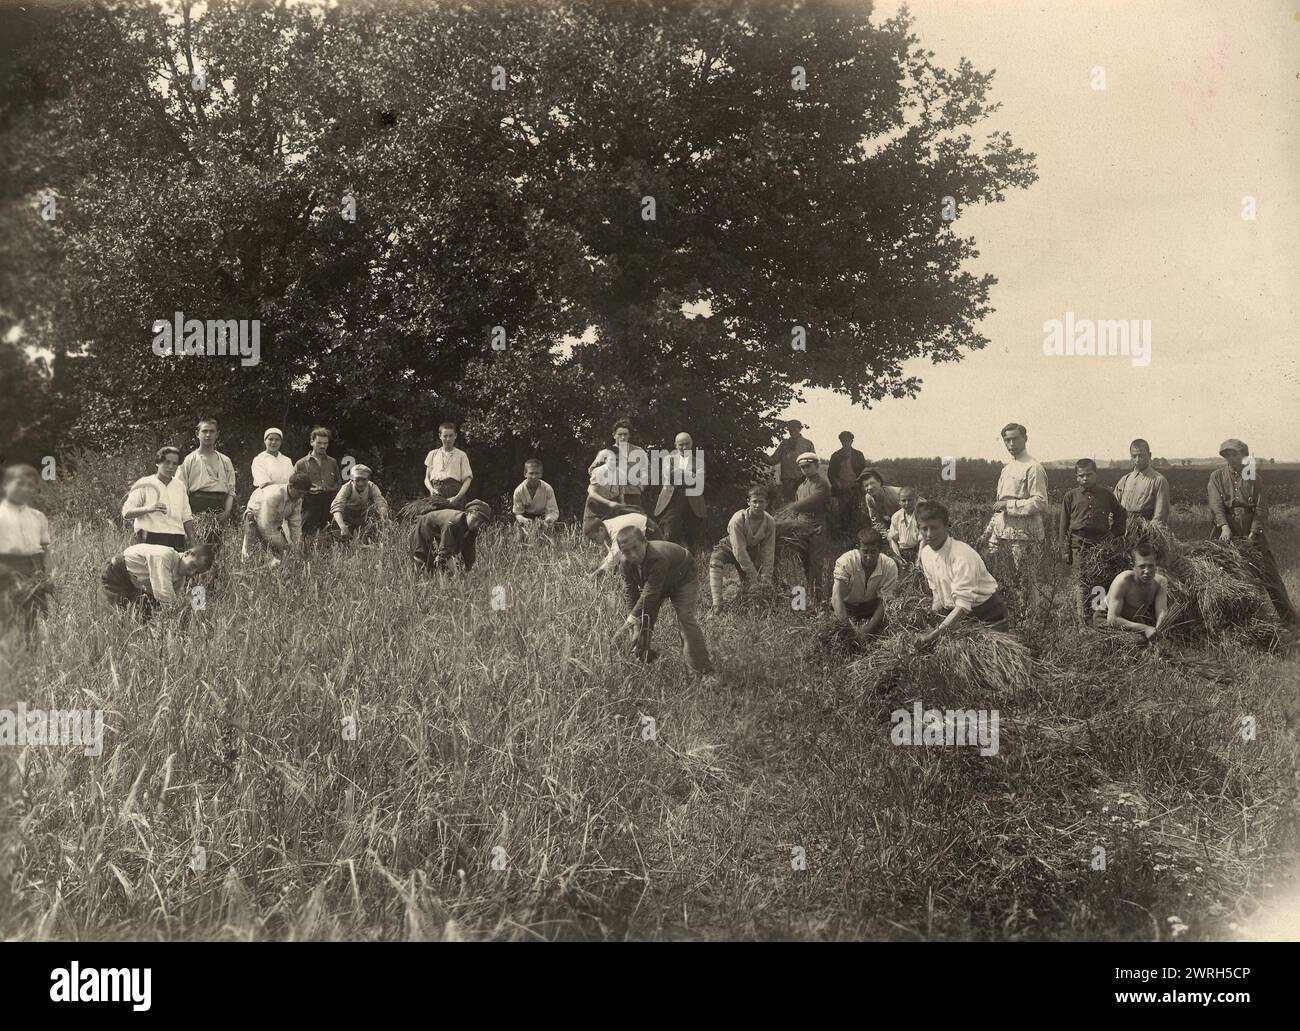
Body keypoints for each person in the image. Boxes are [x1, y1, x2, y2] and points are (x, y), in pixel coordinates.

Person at [1208, 438, 1297, 628]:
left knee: (1270, 576)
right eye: (1227, 455)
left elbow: (1261, 508)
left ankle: (1291, 624)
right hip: (1226, 531)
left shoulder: (1254, 478)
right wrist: (1224, 526)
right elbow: (1216, 505)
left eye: (1235, 454)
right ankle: (1230, 623)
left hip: (1251, 530)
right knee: (1224, 576)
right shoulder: (1216, 477)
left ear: (1244, 456)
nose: (1231, 458)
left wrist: (1254, 531)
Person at [616, 526, 714, 677]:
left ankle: (701, 672)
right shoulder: (625, 563)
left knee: (686, 620)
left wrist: (629, 622)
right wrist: (634, 623)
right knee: (642, 622)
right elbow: (631, 593)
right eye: (626, 551)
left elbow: (650, 593)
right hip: (657, 583)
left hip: (683, 579)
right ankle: (644, 659)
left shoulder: (658, 557)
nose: (633, 555)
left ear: (645, 542)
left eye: (636, 548)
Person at [915, 500, 1010, 646]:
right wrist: (934, 619)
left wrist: (933, 635)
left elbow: (963, 606)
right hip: (959, 617)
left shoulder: (962, 556)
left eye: (934, 528)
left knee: (983, 662)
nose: (929, 534)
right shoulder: (926, 553)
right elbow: (936, 593)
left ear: (947, 526)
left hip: (987, 616)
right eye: (924, 528)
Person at [987, 422, 1049, 609]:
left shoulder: (1033, 467)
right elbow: (999, 507)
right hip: (1004, 533)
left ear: (1025, 439)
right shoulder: (1006, 469)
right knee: (1006, 578)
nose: (1011, 444)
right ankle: (1014, 617)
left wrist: (1009, 504)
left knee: (1025, 580)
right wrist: (990, 532)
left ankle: (1030, 621)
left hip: (1024, 536)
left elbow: (1040, 502)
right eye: (1007, 440)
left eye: (1015, 439)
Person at [1060, 458, 1128, 623]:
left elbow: (1121, 513)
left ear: (1096, 475)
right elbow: (1063, 525)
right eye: (1081, 475)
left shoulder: (1106, 495)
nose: (1085, 478)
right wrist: (1065, 550)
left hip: (1100, 546)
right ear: (1076, 477)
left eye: (1089, 475)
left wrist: (1114, 533)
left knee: (1099, 581)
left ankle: (1097, 619)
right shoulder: (1070, 497)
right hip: (1079, 545)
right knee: (1082, 583)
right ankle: (1082, 620)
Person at [0, 464, 53, 633]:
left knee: (34, 618)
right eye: (20, 483)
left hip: (35, 569)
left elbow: (45, 549)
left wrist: (48, 575)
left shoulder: (38, 517)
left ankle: (33, 651)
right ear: (5, 485)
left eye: (31, 485)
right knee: (8, 618)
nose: (25, 489)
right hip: (6, 569)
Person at [101, 542, 214, 620]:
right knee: (121, 617)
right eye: (193, 565)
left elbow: (166, 607)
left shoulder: (180, 579)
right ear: (187, 553)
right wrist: (184, 608)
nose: (191, 573)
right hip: (117, 573)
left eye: (196, 572)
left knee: (144, 617)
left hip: (136, 583)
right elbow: (163, 595)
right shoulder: (165, 556)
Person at [708, 485, 777, 612]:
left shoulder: (770, 522)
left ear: (766, 503)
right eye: (754, 501)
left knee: (749, 587)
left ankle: (743, 596)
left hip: (751, 551)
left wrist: (765, 578)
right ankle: (717, 604)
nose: (757, 505)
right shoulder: (738, 519)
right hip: (729, 547)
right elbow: (739, 550)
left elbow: (768, 550)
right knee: (715, 560)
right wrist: (754, 575)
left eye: (761, 502)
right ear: (748, 502)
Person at [121, 446, 195, 550]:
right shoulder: (144, 483)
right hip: (151, 538)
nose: (171, 467)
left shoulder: (180, 486)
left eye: (175, 464)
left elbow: (186, 517)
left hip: (177, 538)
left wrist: (193, 541)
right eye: (167, 462)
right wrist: (149, 508)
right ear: (158, 462)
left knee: (174, 567)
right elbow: (126, 512)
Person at [831, 528, 899, 637]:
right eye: (865, 551)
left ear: (880, 550)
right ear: (858, 549)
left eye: (873, 552)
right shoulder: (846, 561)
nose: (869, 557)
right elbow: (836, 597)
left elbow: (884, 601)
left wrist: (868, 629)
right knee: (835, 635)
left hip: (871, 607)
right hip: (847, 607)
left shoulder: (889, 566)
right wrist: (848, 629)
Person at [1097, 543, 1168, 643]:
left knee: (1155, 640)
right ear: (1133, 566)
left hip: (1133, 620)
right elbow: (1112, 619)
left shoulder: (1160, 582)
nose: (1147, 571)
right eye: (1142, 566)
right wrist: (1146, 629)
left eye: (1151, 566)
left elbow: (1161, 612)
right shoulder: (1123, 581)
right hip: (1107, 618)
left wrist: (1158, 632)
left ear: (1156, 564)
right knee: (1138, 642)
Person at [179, 417, 237, 530]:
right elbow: (180, 490)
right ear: (197, 433)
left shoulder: (225, 460)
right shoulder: (189, 460)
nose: (208, 435)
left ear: (217, 434)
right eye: (204, 431)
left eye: (212, 431)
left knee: (217, 546)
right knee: (198, 545)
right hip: (196, 510)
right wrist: (187, 516)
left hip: (220, 510)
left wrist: (226, 513)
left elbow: (231, 491)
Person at [788, 452, 831, 601]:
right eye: (802, 467)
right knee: (801, 563)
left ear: (817, 466)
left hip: (816, 526)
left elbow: (810, 502)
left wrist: (790, 508)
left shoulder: (821, 485)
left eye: (808, 466)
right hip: (800, 526)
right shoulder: (801, 486)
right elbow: (796, 509)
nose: (805, 469)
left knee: (815, 563)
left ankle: (817, 601)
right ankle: (801, 601)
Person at [653, 432, 706, 550]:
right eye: (681, 444)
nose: (685, 447)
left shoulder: (699, 462)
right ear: (675, 445)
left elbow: (699, 481)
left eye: (687, 444)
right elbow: (670, 476)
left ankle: (690, 565)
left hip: (692, 501)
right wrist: (690, 475)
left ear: (692, 444)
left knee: (691, 537)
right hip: (672, 500)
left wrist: (680, 472)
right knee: (669, 533)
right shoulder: (668, 459)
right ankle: (666, 561)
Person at [242, 472, 310, 562]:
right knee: (252, 553)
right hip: (255, 517)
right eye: (299, 493)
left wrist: (296, 548)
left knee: (283, 555)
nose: (301, 496)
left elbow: (295, 525)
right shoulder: (274, 495)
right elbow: (265, 527)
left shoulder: (298, 499)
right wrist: (284, 547)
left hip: (273, 523)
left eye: (304, 494)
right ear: (290, 486)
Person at [410, 500, 491, 574]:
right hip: (424, 529)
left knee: (441, 567)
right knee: (423, 564)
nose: (477, 524)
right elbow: (446, 552)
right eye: (475, 519)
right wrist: (457, 577)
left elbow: (469, 553)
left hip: (439, 534)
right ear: (467, 513)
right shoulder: (453, 522)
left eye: (480, 522)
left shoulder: (473, 530)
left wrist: (469, 572)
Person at [588, 418, 649, 510]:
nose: (623, 437)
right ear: (614, 435)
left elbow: (646, 471)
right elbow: (592, 470)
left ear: (629, 435)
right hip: (612, 495)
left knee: (633, 520)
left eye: (625, 434)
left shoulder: (639, 451)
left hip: (632, 493)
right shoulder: (605, 452)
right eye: (620, 434)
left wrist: (641, 487)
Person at [294, 426, 342, 536]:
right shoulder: (301, 464)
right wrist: (309, 490)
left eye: (325, 443)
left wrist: (327, 489)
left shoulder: (332, 462)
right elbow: (295, 487)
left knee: (331, 536)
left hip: (329, 504)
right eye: (319, 443)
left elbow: (338, 483)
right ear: (312, 442)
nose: (323, 446)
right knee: (307, 537)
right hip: (309, 506)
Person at [1113, 439, 1171, 526]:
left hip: (1145, 530)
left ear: (1149, 455)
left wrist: (1149, 532)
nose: (1137, 459)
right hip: (1122, 529)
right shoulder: (1124, 480)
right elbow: (1113, 506)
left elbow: (1160, 515)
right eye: (1134, 456)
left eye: (1141, 456)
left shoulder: (1159, 480)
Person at [330, 464, 390, 542]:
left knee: (370, 537)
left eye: (364, 479)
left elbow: (380, 503)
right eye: (357, 480)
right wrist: (342, 526)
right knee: (341, 538)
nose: (360, 483)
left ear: (368, 479)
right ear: (352, 479)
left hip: (362, 516)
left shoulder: (372, 487)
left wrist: (384, 518)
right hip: (346, 516)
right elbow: (336, 508)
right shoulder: (346, 488)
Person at [423, 421, 474, 508]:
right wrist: (431, 490)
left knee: (454, 520)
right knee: (433, 519)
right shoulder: (432, 454)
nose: (448, 439)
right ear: (440, 436)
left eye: (451, 436)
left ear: (455, 436)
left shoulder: (461, 455)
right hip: (437, 494)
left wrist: (457, 497)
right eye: (445, 436)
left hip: (455, 495)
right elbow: (426, 478)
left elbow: (468, 480)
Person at [765, 419, 816, 501]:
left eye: (794, 429)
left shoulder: (807, 443)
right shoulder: (784, 444)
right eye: (790, 429)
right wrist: (760, 454)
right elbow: (773, 460)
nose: (792, 431)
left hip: (803, 480)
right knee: (788, 508)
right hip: (787, 482)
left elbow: (813, 463)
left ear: (800, 429)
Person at [827, 431, 867, 532]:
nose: (845, 443)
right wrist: (837, 483)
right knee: (843, 511)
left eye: (847, 441)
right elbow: (831, 473)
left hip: (855, 487)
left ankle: (856, 532)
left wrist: (859, 483)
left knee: (856, 510)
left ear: (852, 441)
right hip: (842, 488)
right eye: (843, 441)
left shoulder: (858, 455)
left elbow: (864, 471)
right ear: (840, 441)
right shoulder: (836, 456)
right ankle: (844, 533)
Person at [512, 458, 560, 540]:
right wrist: (524, 520)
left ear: (541, 474)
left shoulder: (547, 489)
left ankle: (549, 549)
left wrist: (547, 520)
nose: (534, 476)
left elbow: (553, 511)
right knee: (518, 534)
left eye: (537, 473)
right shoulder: (519, 491)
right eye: (531, 473)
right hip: (526, 518)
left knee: (552, 534)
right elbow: (518, 513)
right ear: (525, 474)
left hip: (543, 518)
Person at [250, 427, 294, 497]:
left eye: (277, 440)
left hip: (286, 498)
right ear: (265, 441)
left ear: (281, 442)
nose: (274, 442)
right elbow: (265, 484)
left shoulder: (287, 460)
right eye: (270, 439)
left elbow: (292, 482)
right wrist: (287, 488)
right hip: (265, 498)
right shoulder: (258, 460)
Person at [859, 468, 900, 542]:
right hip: (893, 521)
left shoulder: (895, 495)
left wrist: (894, 532)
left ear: (879, 482)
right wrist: (884, 532)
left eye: (872, 483)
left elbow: (909, 515)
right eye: (866, 485)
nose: (869, 487)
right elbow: (875, 518)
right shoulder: (869, 497)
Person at [887, 486, 923, 566]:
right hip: (902, 551)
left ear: (916, 500)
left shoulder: (921, 516)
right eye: (903, 500)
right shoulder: (896, 517)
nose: (907, 503)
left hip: (918, 549)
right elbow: (893, 539)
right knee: (890, 536)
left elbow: (923, 540)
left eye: (910, 500)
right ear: (899, 502)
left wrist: (919, 558)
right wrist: (899, 558)